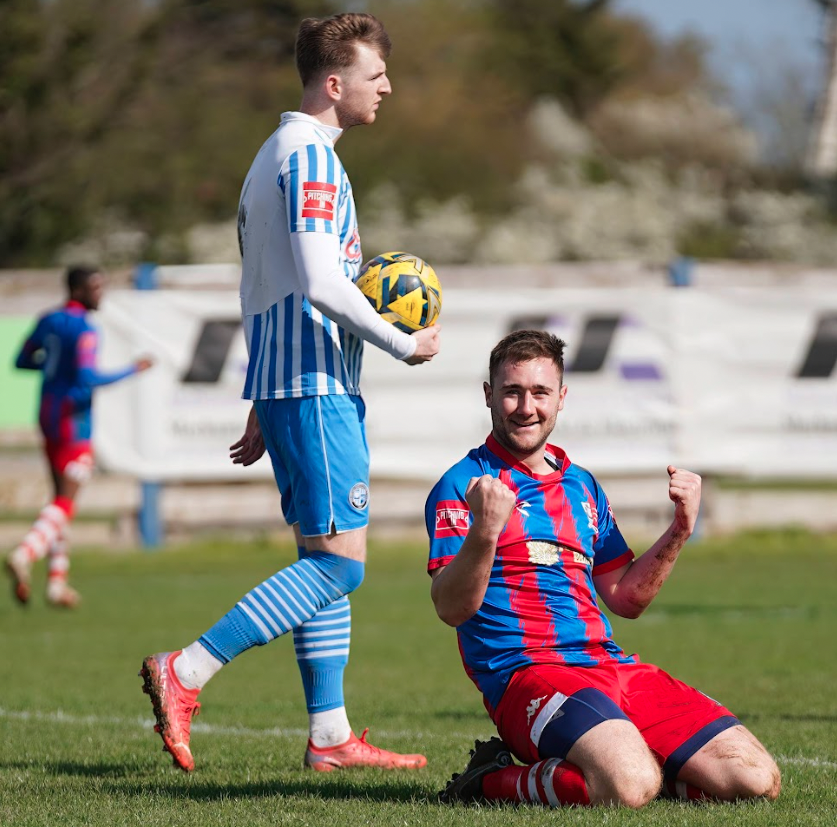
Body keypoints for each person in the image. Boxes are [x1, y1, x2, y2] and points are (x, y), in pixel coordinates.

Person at [139, 12, 439, 774]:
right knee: (340, 564)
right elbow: (316, 278)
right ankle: (187, 669)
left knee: (319, 552)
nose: (388, 88)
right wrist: (402, 342)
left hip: (290, 381)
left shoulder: (271, 154)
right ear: (334, 84)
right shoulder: (308, 157)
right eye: (376, 76)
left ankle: (330, 734)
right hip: (311, 385)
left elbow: (262, 285)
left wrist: (261, 393)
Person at [427, 330, 780, 808]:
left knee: (755, 780)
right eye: (511, 392)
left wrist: (679, 529)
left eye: (540, 393)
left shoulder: (581, 485)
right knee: (628, 786)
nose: (525, 407)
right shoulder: (466, 485)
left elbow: (625, 597)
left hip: (608, 666)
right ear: (489, 395)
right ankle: (487, 781)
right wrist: (485, 532)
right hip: (528, 675)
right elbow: (450, 608)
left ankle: (626, 765)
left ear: (562, 398)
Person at [5, 265, 153, 608]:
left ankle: (57, 581)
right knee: (66, 502)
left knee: (59, 499)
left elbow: (22, 361)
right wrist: (134, 369)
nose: (100, 293)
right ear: (78, 290)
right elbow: (87, 379)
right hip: (74, 420)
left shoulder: (49, 320)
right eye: (95, 287)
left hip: (47, 415)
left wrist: (54, 368)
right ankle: (25, 553)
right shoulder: (85, 329)